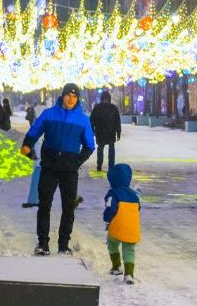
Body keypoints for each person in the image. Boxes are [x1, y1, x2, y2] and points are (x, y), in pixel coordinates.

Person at [21, 83, 95, 255]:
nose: (71, 99)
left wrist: (77, 162)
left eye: (74, 96)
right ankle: (43, 244)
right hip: (49, 166)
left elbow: (89, 146)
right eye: (68, 95)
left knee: (68, 208)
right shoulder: (49, 114)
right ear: (63, 96)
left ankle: (63, 245)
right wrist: (27, 145)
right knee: (44, 205)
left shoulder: (83, 120)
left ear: (77, 99)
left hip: (69, 170)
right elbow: (34, 132)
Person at [103, 163, 141, 285]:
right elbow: (138, 208)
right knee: (129, 249)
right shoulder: (134, 195)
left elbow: (110, 208)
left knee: (112, 243)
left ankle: (116, 267)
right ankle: (129, 274)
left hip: (117, 226)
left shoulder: (112, 193)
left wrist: (106, 219)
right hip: (132, 227)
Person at [90, 91, 121, 172]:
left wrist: (92, 130)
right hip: (110, 132)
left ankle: (99, 166)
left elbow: (92, 120)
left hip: (100, 132)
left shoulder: (97, 108)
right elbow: (117, 121)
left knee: (100, 149)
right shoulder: (113, 108)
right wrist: (118, 132)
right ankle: (111, 166)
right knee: (110, 150)